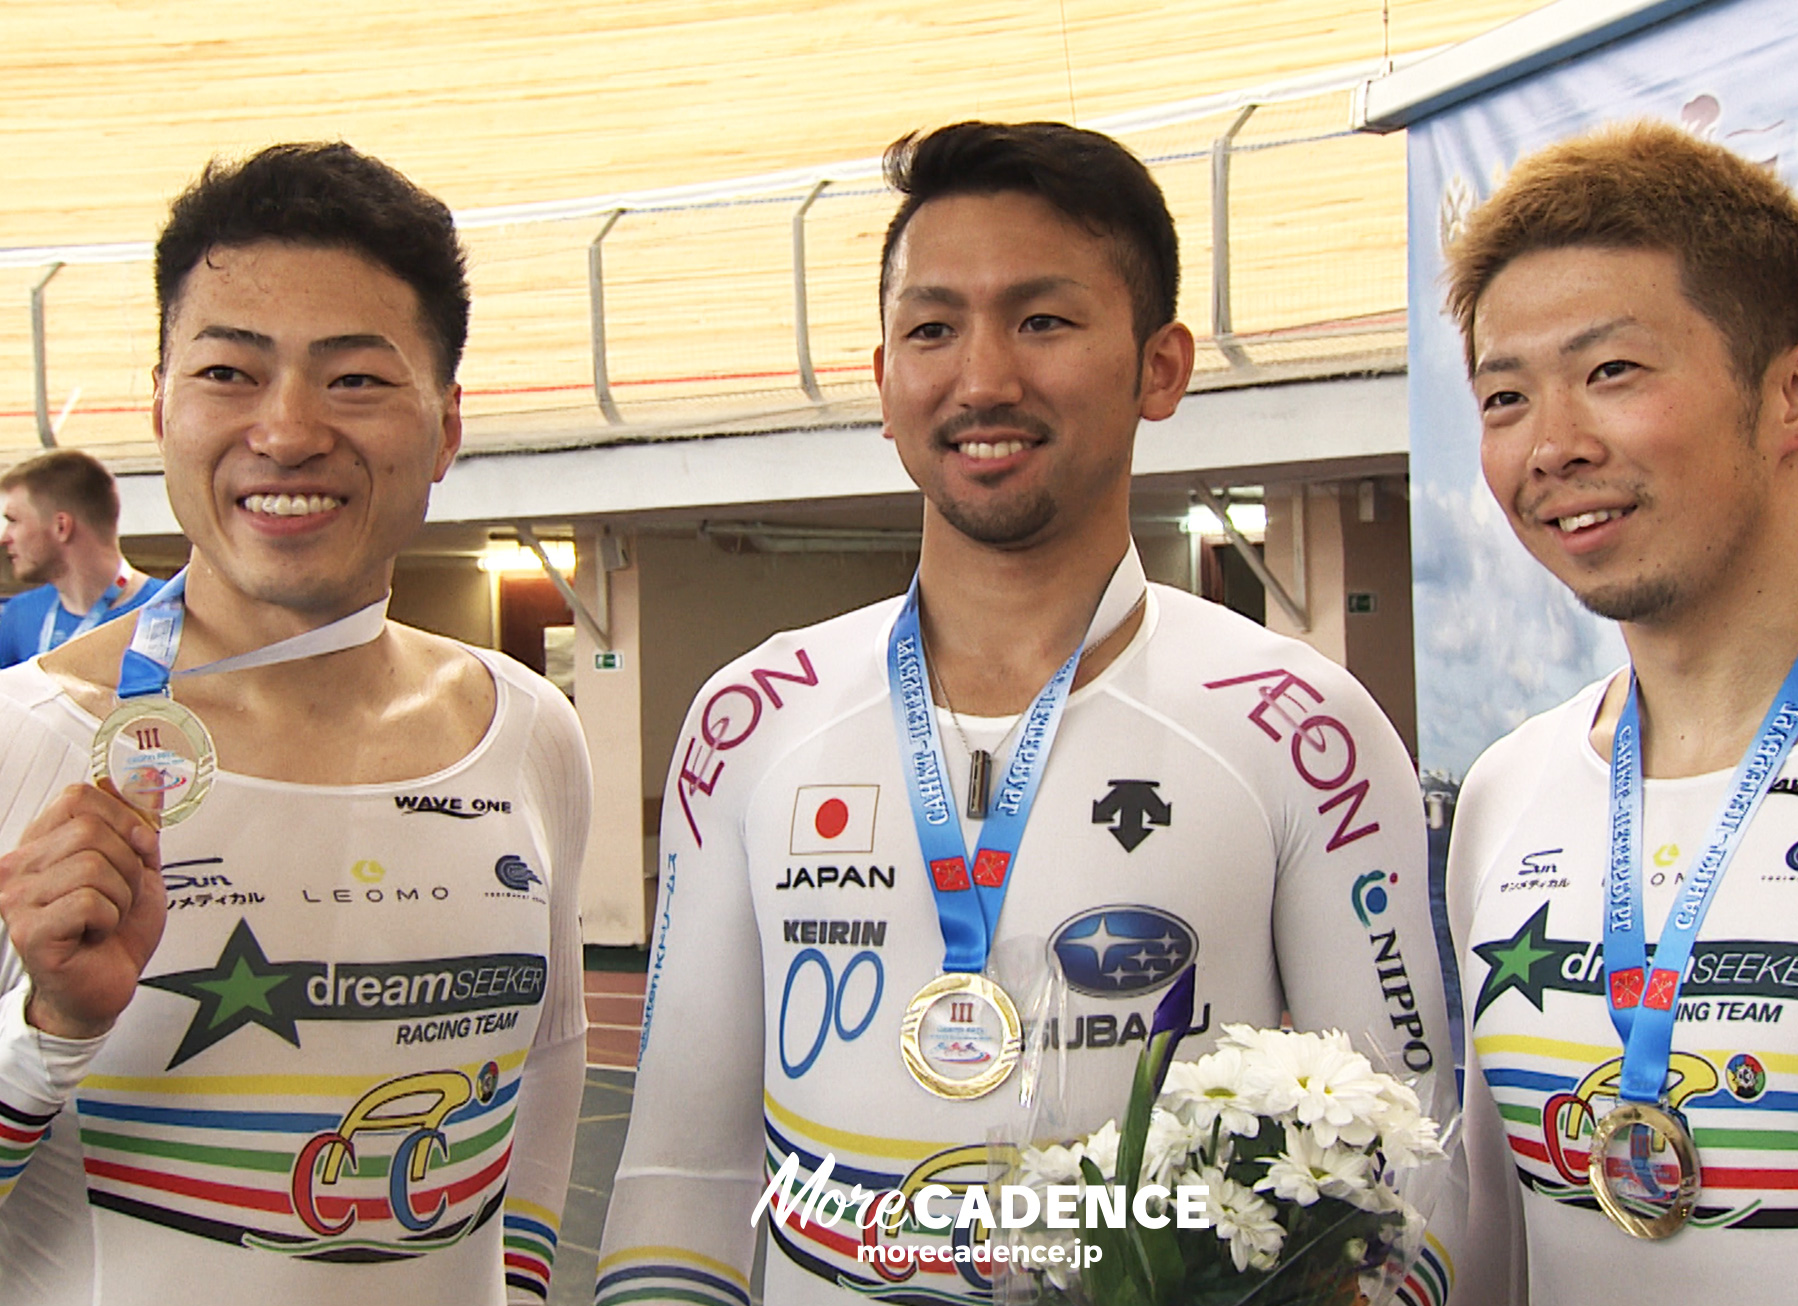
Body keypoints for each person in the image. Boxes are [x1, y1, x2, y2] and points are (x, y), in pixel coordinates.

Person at [600, 121, 1455, 1306]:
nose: (982, 377)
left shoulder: (1303, 726)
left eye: (1043, 320)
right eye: (933, 327)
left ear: (1161, 366)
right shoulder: (754, 715)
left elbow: (1418, 1178)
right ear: (884, 377)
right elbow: (682, 1172)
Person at [0, 143, 590, 1305]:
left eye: (356, 380)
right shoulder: (31, 738)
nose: (286, 431)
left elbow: (549, 1095)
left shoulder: (528, 729)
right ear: (160, 403)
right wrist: (50, 1030)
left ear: (448, 423)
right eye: (229, 372)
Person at [1444, 120, 1798, 1305]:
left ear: (1795, 391)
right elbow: (1494, 1255)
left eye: (1612, 372)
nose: (1553, 445)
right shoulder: (1511, 787)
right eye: (1504, 395)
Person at [0, 450, 165, 668]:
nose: (4, 538)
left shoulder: (168, 613)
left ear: (61, 527)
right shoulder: (19, 615)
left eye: (13, 521)